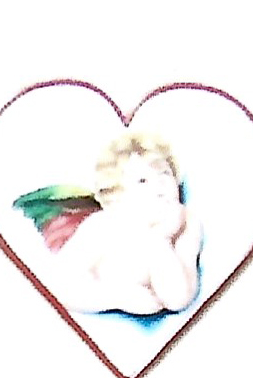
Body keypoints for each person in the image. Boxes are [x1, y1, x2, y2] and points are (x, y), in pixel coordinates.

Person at [58, 131, 205, 319]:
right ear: (117, 198)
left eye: (165, 173)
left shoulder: (185, 223)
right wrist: (117, 297)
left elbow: (178, 299)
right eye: (142, 180)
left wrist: (160, 240)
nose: (160, 185)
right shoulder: (104, 225)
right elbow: (61, 285)